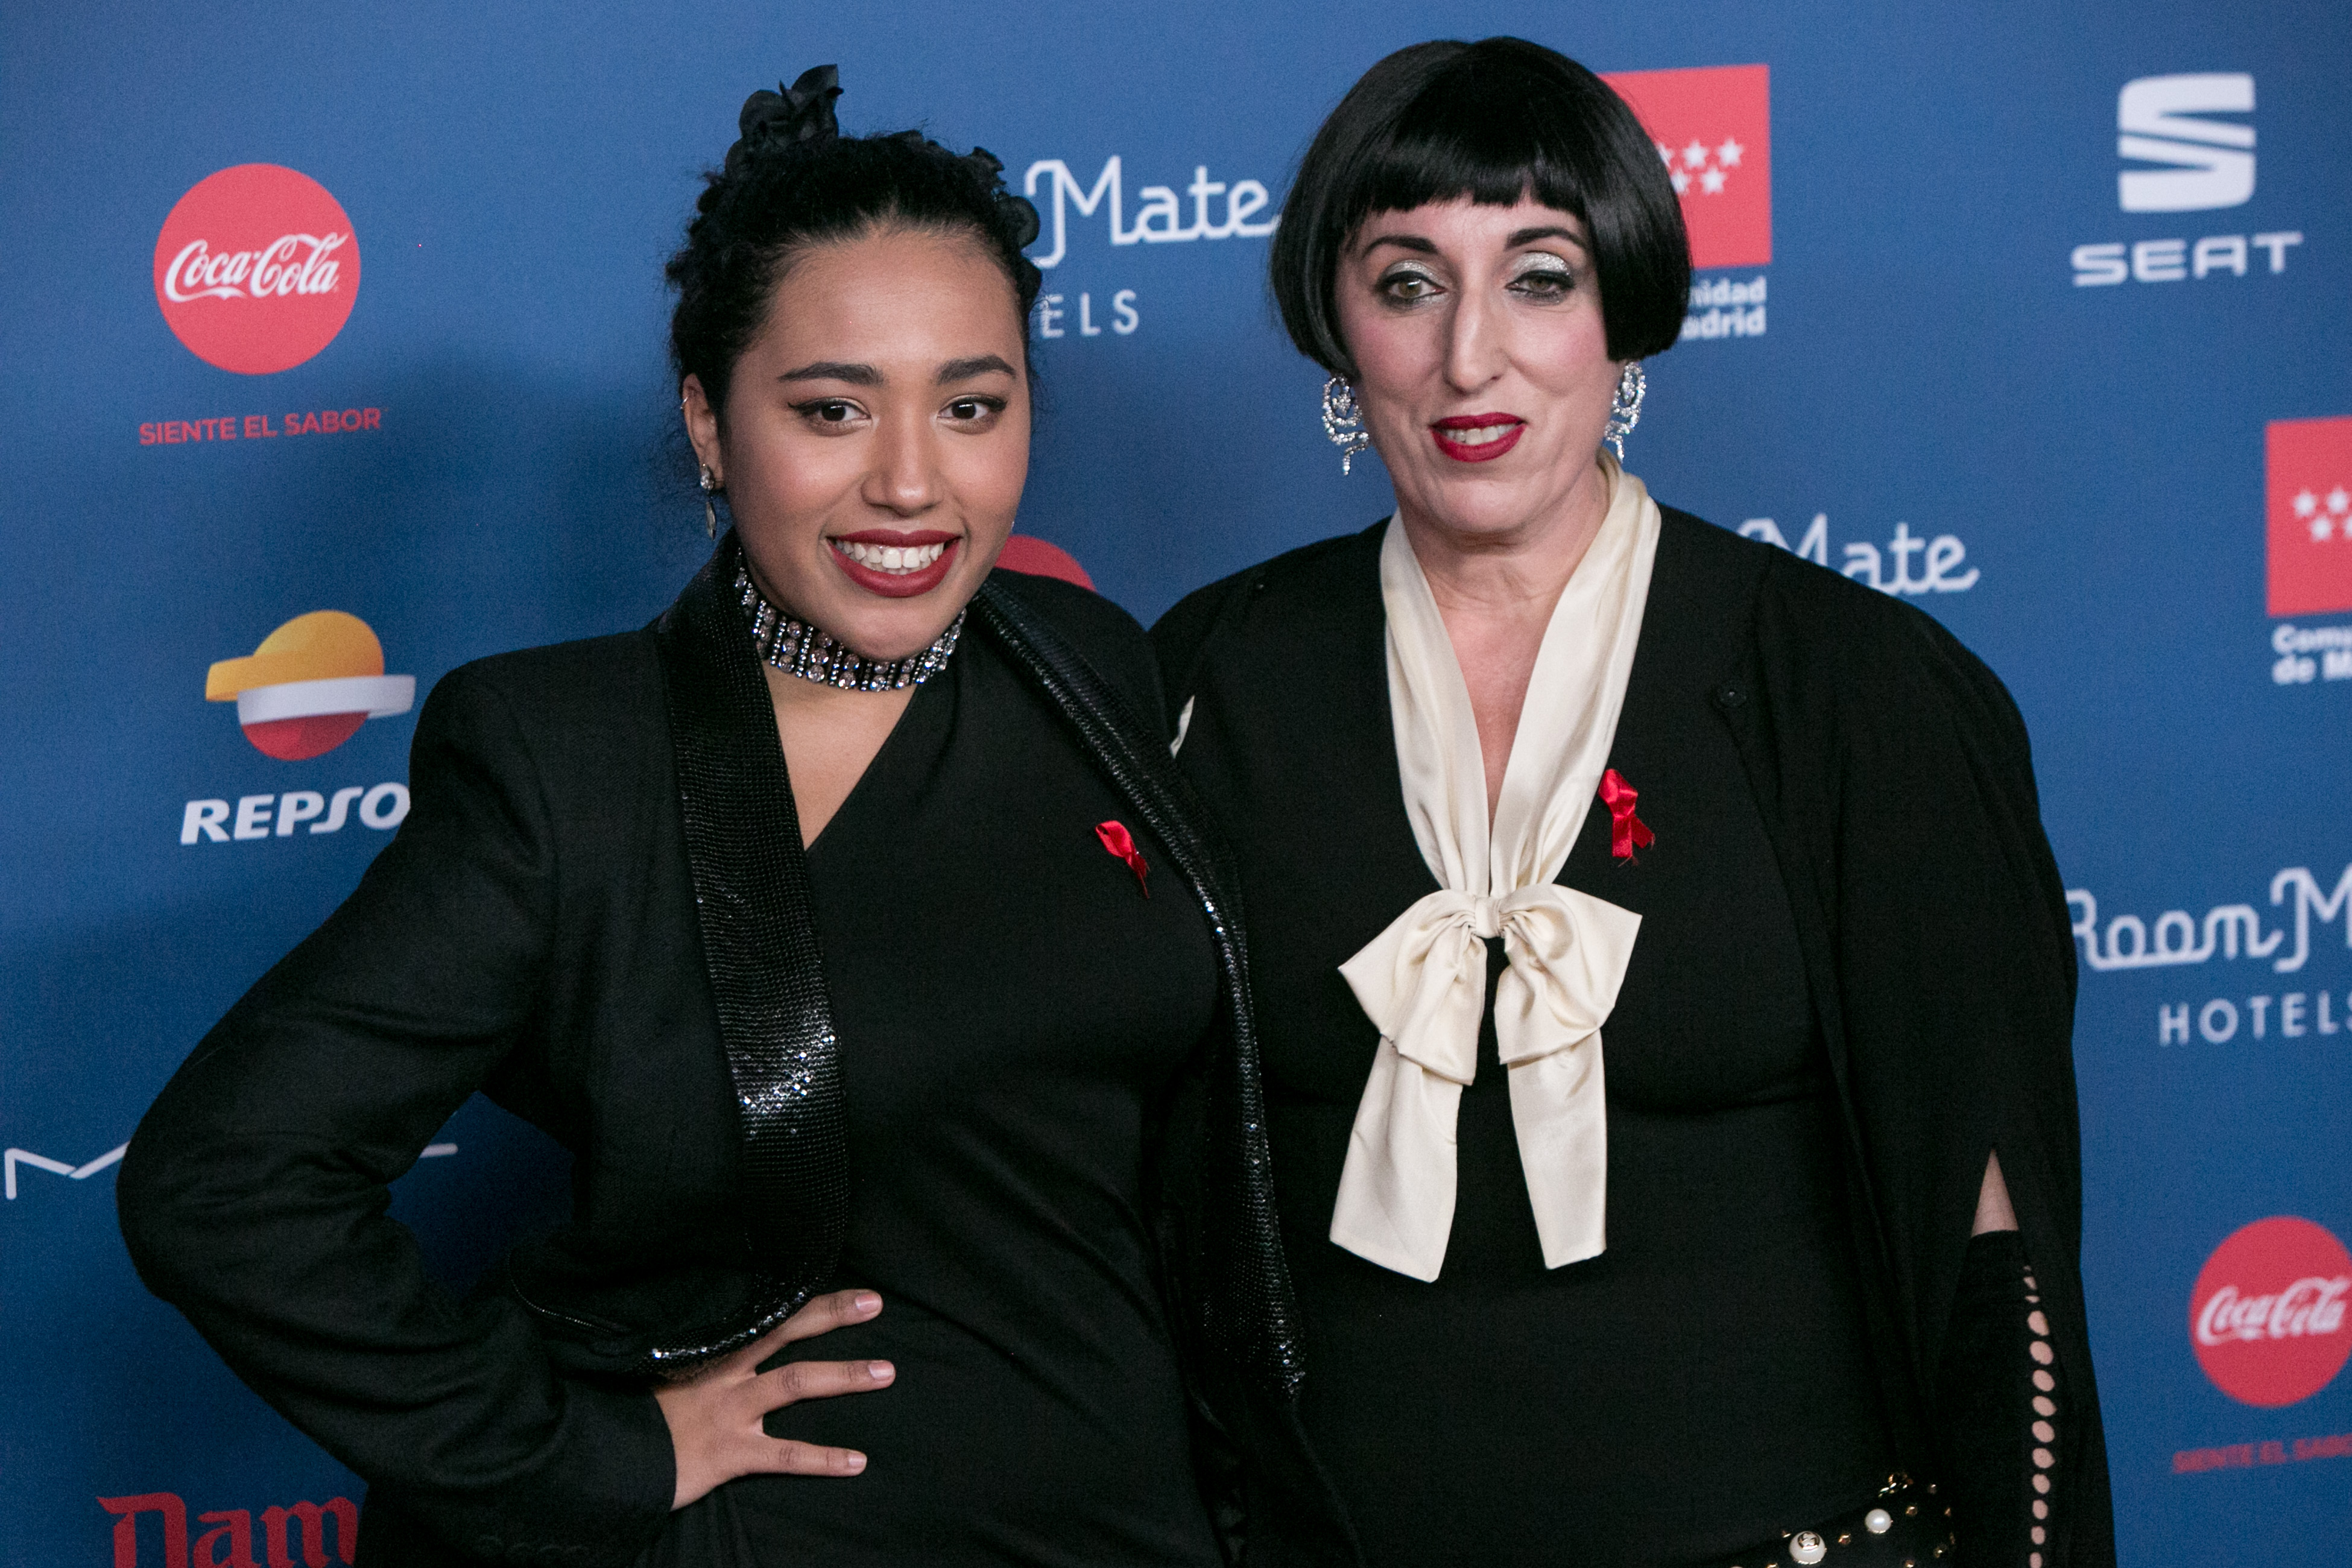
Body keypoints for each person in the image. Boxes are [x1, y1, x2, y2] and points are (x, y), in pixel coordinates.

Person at [119, 67, 1350, 1568]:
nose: (911, 481)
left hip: (1133, 1524)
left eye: (972, 405)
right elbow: (221, 1180)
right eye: (832, 409)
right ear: (711, 422)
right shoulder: (571, 760)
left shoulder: (1087, 665)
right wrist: (582, 1452)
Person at [1154, 37, 2113, 1568]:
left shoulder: (1856, 691)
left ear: (1628, 313)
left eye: (1538, 276)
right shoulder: (1210, 680)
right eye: (1408, 283)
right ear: (1338, 331)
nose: (1473, 357)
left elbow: (1993, 1262)